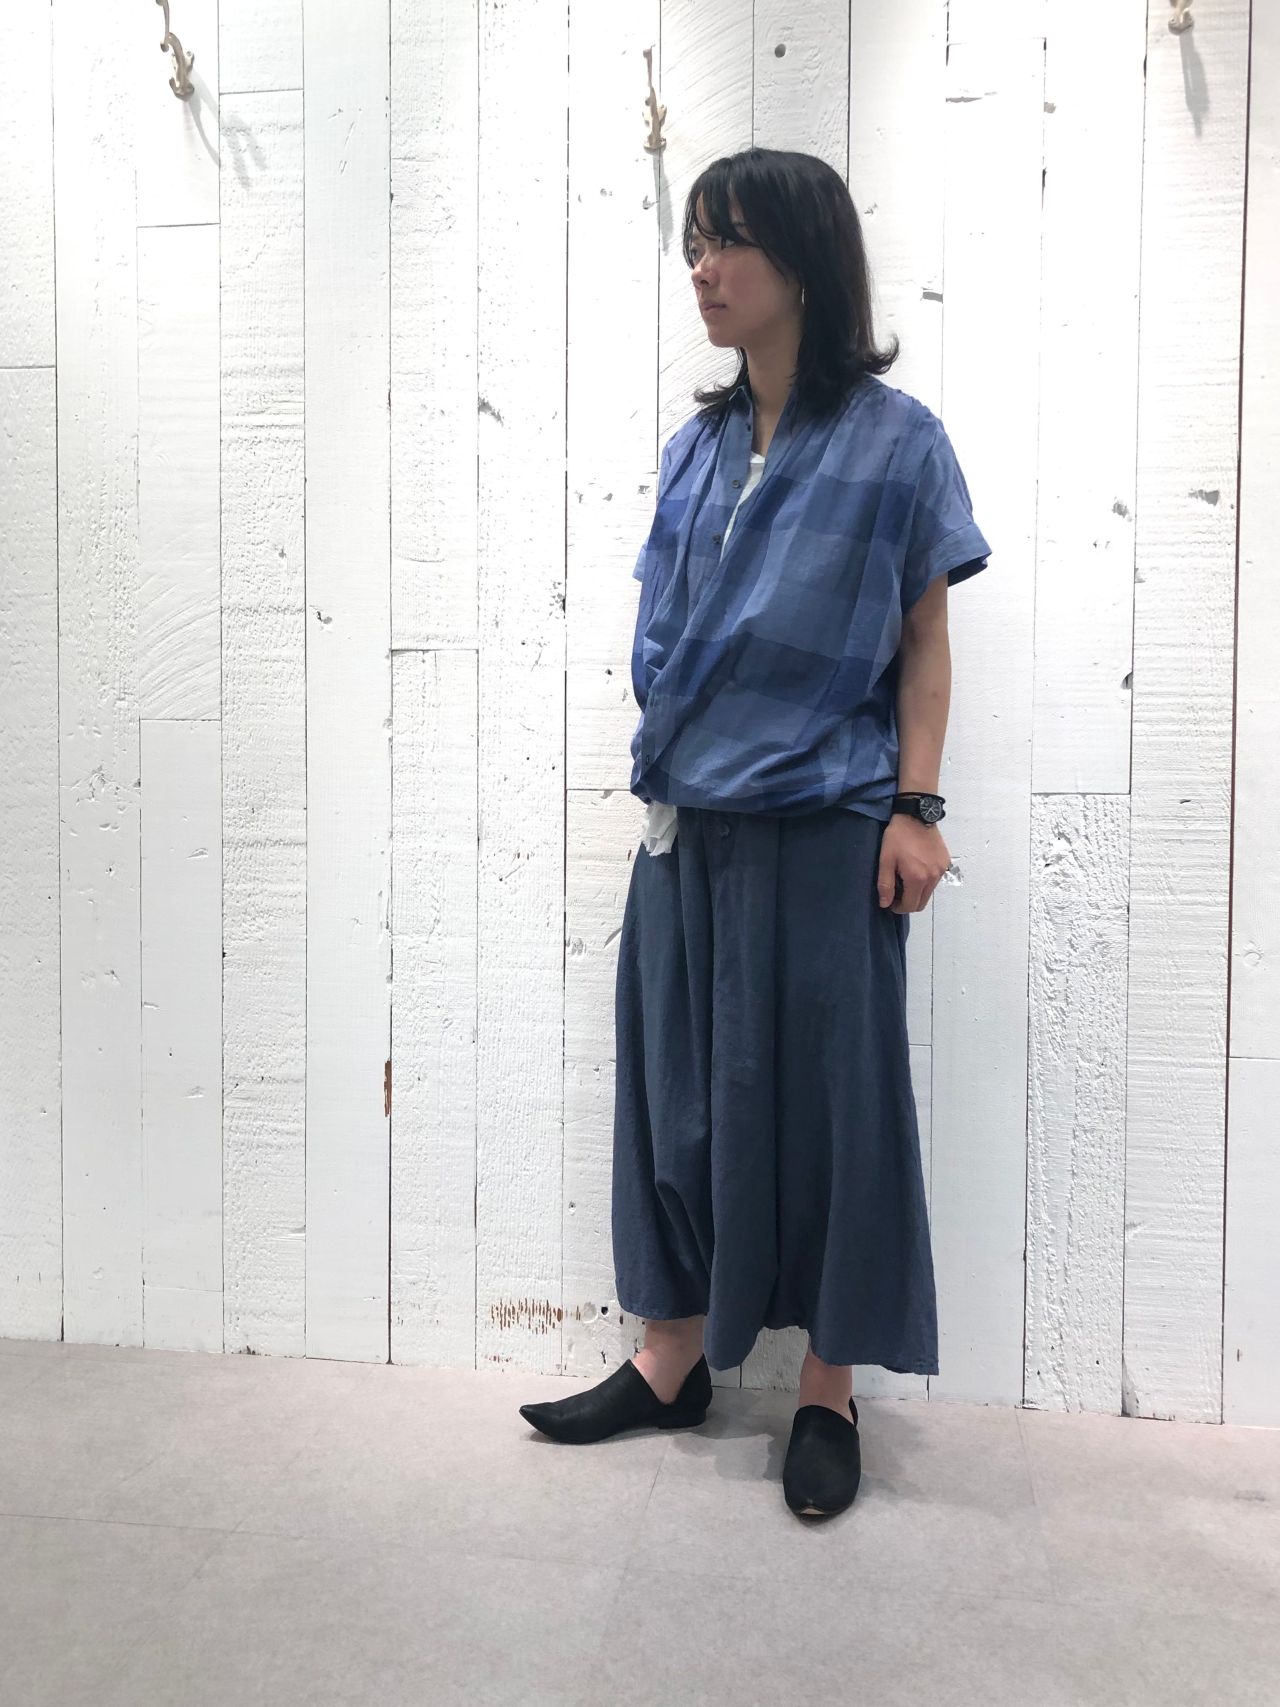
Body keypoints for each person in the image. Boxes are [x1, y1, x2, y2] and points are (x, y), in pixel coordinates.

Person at [520, 147, 991, 1520]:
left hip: (827, 822)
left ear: (805, 259)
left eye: (726, 242)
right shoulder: (697, 449)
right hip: (688, 823)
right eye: (692, 243)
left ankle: (827, 1391)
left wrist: (916, 807)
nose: (702, 269)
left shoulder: (899, 442)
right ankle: (669, 1358)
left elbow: (922, 642)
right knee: (672, 1097)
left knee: (837, 1113)